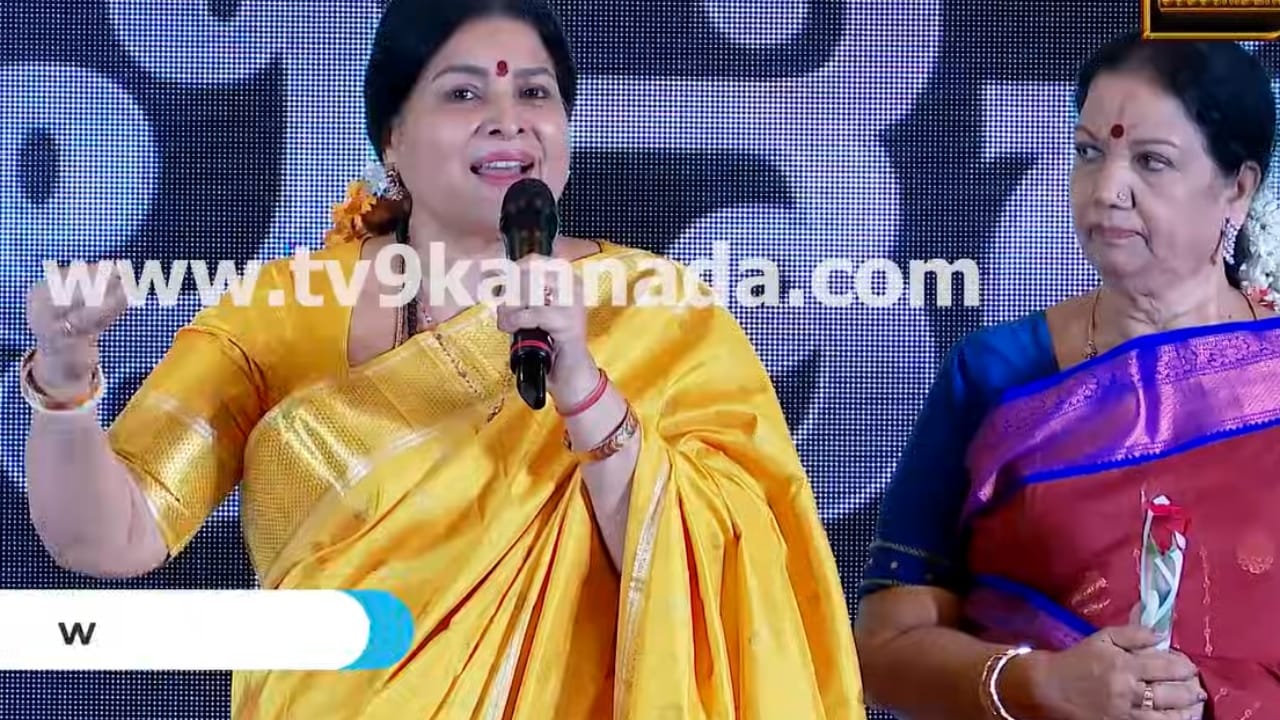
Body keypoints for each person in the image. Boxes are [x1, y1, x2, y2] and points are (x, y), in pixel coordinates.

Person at [21, 0, 865, 717]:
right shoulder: (282, 309)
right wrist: (63, 377)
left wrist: (583, 387)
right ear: (391, 138)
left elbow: (726, 570)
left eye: (535, 92)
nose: (508, 117)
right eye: (464, 92)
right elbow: (111, 537)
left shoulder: (656, 312)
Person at [854, 33, 1280, 720]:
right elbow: (884, 652)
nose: (1107, 190)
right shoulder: (999, 375)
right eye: (1089, 153)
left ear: (1237, 188)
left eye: (1151, 161)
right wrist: (1043, 684)